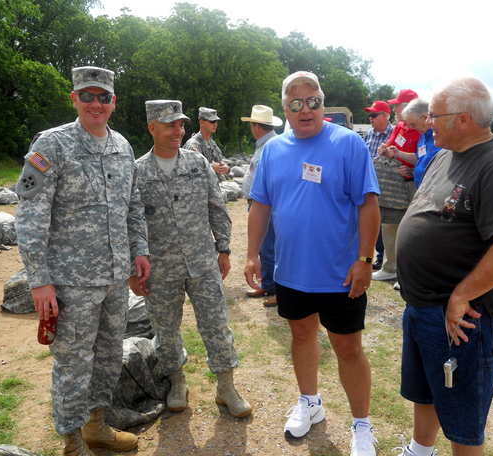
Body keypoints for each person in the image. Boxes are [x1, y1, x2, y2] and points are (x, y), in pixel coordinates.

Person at [15, 66, 150, 456]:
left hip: (113, 278)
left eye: (102, 96)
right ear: (74, 99)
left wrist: (139, 250)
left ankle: (96, 426)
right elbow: (30, 215)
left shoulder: (122, 147)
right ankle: (72, 442)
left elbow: (133, 206)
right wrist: (39, 280)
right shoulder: (52, 145)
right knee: (73, 364)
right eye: (87, 95)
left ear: (113, 102)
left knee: (108, 356)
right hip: (70, 283)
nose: (95, 103)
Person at [394, 77, 493, 456]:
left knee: (463, 418)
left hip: (466, 316)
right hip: (424, 307)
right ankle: (420, 451)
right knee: (427, 391)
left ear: (464, 119)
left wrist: (461, 295)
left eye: (435, 115)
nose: (427, 121)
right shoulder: (444, 153)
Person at [245, 71, 381, 456]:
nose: (306, 110)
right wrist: (253, 254)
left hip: (340, 273)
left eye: (313, 101)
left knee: (348, 349)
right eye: (296, 103)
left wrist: (365, 259)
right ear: (284, 108)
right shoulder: (273, 150)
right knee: (302, 336)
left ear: (322, 103)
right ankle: (310, 402)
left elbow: (368, 204)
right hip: (290, 271)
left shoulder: (349, 144)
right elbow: (261, 205)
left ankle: (361, 425)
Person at [130, 100, 251, 419]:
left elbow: (217, 208)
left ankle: (226, 385)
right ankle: (177, 382)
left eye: (181, 125)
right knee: (165, 329)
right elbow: (130, 222)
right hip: (160, 268)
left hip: (202, 262)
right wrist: (134, 267)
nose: (178, 131)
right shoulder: (137, 172)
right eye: (170, 125)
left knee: (216, 324)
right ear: (152, 127)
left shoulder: (197, 164)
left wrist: (223, 248)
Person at [372, 89, 420, 283]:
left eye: (397, 105)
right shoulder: (400, 127)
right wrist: (384, 149)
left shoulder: (421, 129)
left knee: (409, 228)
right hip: (394, 183)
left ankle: (407, 273)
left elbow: (425, 159)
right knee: (389, 225)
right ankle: (390, 267)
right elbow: (390, 146)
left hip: (413, 184)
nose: (395, 108)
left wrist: (399, 155)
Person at [241, 105, 283, 307]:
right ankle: (268, 284)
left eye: (252, 124)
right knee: (265, 248)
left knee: (272, 249)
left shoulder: (272, 145)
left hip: (266, 206)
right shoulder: (266, 143)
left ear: (256, 126)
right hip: (260, 204)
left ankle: (278, 290)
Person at [363, 100, 394, 271]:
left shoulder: (394, 133)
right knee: (372, 219)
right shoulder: (368, 134)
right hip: (370, 184)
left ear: (384, 116)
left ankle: (384, 258)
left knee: (386, 223)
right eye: (369, 115)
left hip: (388, 184)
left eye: (373, 115)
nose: (370, 118)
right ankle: (379, 256)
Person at [396, 98, 442, 187]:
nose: (412, 128)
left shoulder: (441, 137)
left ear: (425, 118)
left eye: (413, 124)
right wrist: (399, 154)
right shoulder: (422, 135)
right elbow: (419, 158)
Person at [184, 107, 229, 181]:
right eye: (212, 121)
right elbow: (191, 168)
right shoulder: (193, 144)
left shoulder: (212, 144)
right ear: (202, 122)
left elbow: (219, 162)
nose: (215, 125)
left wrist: (226, 169)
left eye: (216, 122)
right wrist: (211, 167)